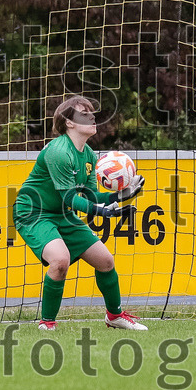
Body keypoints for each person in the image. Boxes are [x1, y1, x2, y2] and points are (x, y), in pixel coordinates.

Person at [13, 95, 147, 331]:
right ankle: (47, 323)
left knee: (105, 261)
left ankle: (114, 316)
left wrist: (120, 196)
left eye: (92, 112)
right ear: (69, 122)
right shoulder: (58, 151)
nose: (92, 116)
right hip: (32, 212)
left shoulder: (87, 155)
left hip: (60, 213)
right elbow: (70, 198)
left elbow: (90, 196)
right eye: (84, 113)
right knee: (60, 260)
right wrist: (99, 211)